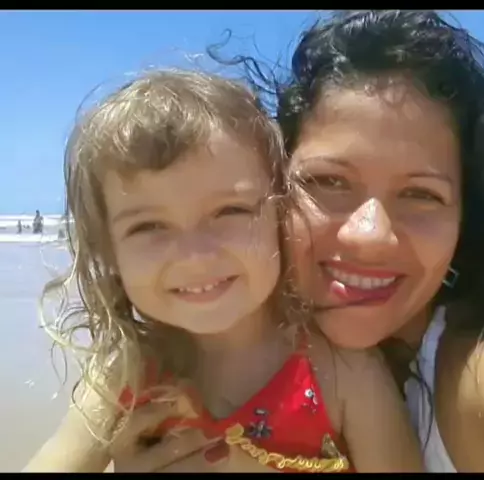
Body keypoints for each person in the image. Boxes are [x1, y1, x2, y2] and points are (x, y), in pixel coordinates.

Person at [115, 10, 484, 473]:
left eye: (421, 194)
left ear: (467, 218)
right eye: (329, 181)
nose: (369, 234)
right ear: (270, 191)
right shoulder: (200, 354)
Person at [24, 69, 421, 473]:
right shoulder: (123, 375)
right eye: (148, 226)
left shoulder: (341, 371)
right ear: (108, 248)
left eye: (230, 211)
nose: (194, 256)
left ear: (281, 213)